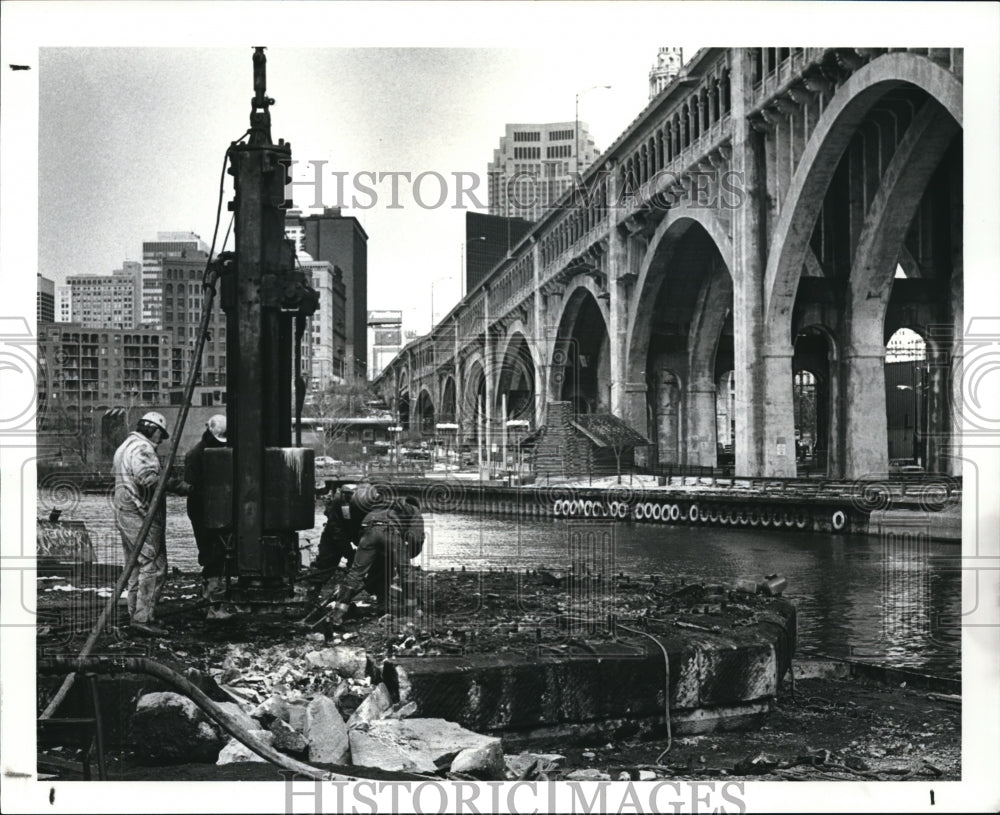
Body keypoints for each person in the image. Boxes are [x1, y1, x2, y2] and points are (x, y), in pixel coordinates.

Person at [313, 495, 426, 629]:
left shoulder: (387, 508)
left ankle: (337, 615)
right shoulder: (415, 512)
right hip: (390, 531)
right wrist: (405, 556)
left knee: (355, 573)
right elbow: (416, 539)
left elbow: (361, 532)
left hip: (367, 530)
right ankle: (412, 612)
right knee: (406, 573)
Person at [112, 411, 172, 636]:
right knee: (152, 565)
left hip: (125, 512)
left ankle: (136, 614)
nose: (161, 440)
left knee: (135, 565)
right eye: (160, 434)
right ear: (154, 430)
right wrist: (175, 484)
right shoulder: (142, 449)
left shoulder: (125, 446)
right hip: (139, 512)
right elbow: (147, 478)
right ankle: (142, 618)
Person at [178, 414, 232, 621]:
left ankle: (211, 598)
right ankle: (213, 604)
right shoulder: (196, 455)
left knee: (218, 553)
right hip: (204, 511)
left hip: (217, 509)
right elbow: (193, 488)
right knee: (213, 554)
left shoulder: (213, 450)